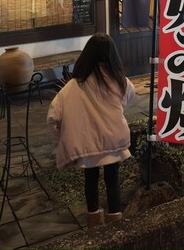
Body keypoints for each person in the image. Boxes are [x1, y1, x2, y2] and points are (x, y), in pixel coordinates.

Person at [47, 33, 135, 233]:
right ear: (112, 55)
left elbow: (53, 118)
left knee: (91, 178)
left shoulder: (74, 86)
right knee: (113, 177)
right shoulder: (121, 81)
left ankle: (93, 222)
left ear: (87, 55)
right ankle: (115, 222)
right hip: (113, 141)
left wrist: (61, 139)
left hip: (86, 144)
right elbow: (128, 99)